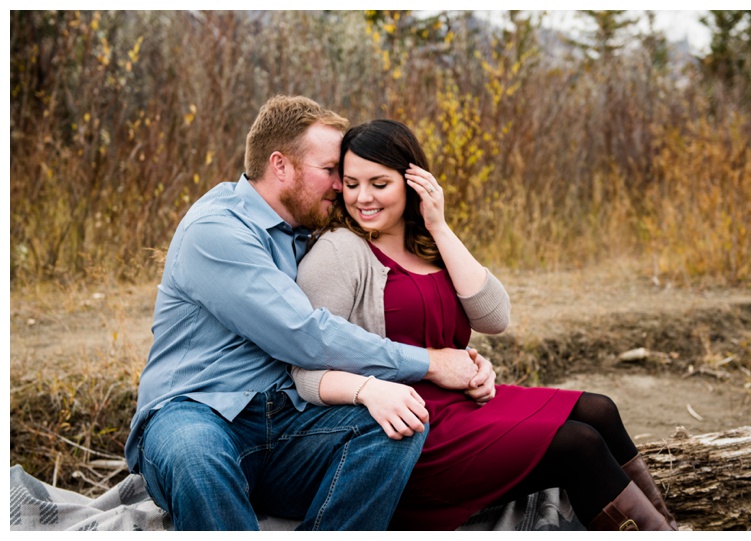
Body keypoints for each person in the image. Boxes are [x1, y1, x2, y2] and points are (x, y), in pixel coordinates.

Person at [123, 96, 496, 531]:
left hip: (287, 422)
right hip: (195, 411)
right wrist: (430, 363)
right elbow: (306, 334)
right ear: (281, 166)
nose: (342, 186)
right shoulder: (216, 230)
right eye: (331, 172)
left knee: (397, 424)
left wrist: (461, 361)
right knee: (196, 454)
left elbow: (378, 303)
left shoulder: (312, 228)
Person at [293, 119, 679, 531]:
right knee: (577, 446)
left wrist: (438, 226)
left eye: (379, 184)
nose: (362, 198)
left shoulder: (426, 243)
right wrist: (374, 390)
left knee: (599, 410)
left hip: (461, 406)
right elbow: (306, 371)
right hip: (409, 431)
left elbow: (495, 318)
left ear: (413, 182)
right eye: (351, 184)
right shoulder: (339, 251)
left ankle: (669, 529)